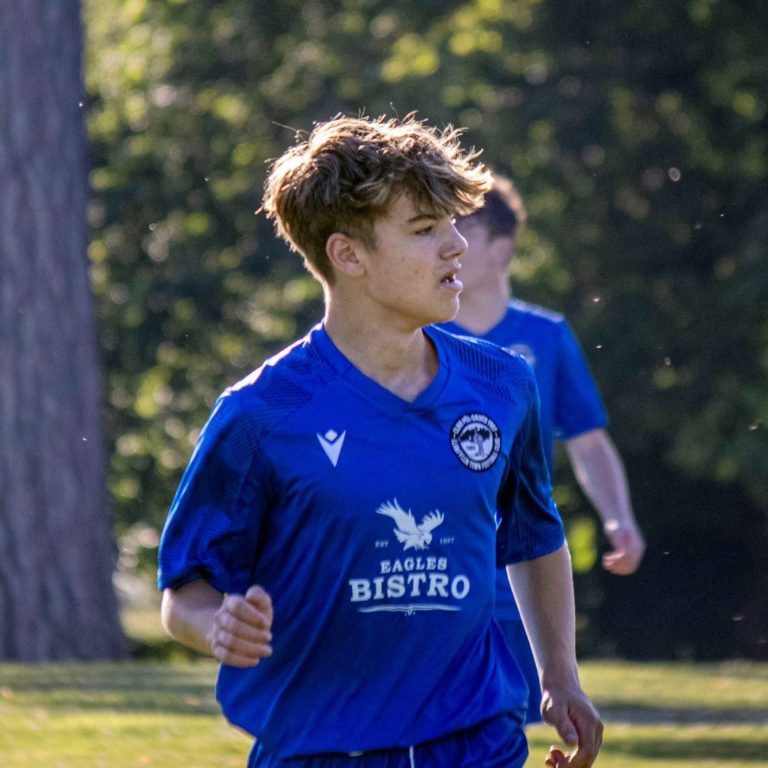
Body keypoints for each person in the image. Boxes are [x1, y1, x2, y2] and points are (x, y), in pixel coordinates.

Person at [157, 115, 603, 768]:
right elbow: (182, 596)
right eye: (425, 230)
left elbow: (533, 536)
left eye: (453, 224)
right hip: (320, 752)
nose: (457, 246)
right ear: (348, 255)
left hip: (479, 743)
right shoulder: (261, 413)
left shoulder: (504, 385)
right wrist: (217, 625)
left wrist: (560, 677)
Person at [439, 173, 645, 727]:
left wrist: (619, 518)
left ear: (502, 249)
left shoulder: (546, 337)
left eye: (464, 228)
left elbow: (588, 439)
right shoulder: (419, 338)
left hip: (522, 579)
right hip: (436, 575)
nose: (448, 241)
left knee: (524, 730)